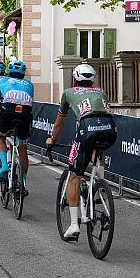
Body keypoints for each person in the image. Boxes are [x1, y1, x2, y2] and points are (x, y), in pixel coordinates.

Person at [47, 63, 117, 240]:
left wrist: (52, 139)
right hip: (110, 129)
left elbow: (59, 122)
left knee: (74, 175)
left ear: (75, 78)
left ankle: (73, 225)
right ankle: (100, 185)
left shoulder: (69, 92)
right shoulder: (101, 92)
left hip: (87, 129)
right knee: (99, 147)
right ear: (93, 79)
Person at [0, 60, 34, 194]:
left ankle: (4, 165)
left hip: (7, 109)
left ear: (9, 72)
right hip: (25, 111)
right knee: (22, 147)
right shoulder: (30, 84)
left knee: (1, 136)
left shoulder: (2, 82)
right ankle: (23, 183)